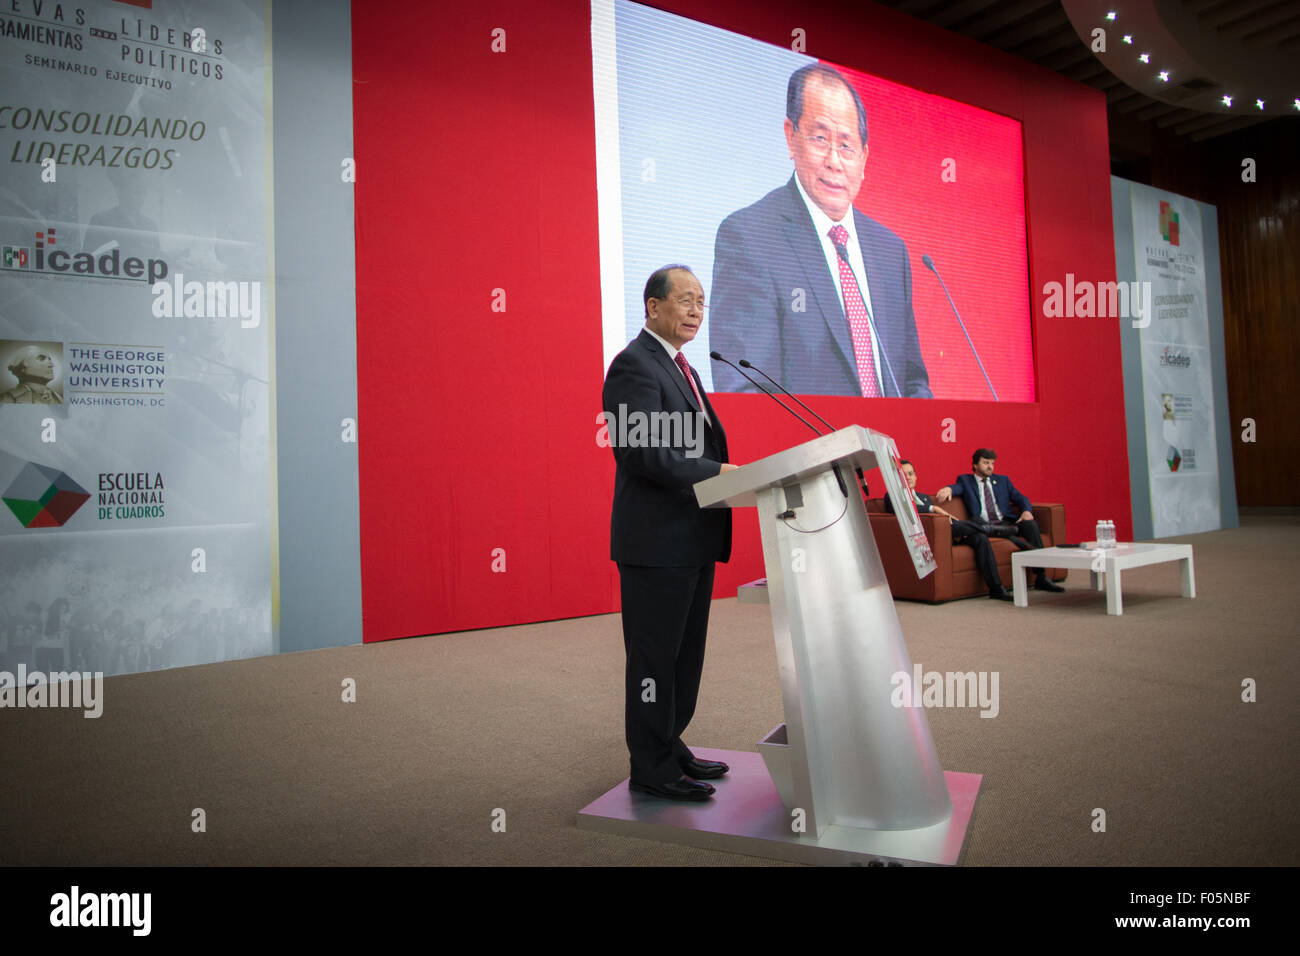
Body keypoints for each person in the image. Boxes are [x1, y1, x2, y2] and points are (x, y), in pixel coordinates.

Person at [709, 63, 931, 399]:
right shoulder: (750, 237)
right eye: (819, 138)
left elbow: (913, 382)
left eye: (846, 145)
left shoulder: (890, 251)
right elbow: (746, 388)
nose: (834, 160)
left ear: (864, 158)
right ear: (791, 137)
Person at [602, 265, 739, 802]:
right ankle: (651, 766)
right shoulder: (634, 366)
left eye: (702, 302)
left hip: (693, 536)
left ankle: (670, 743)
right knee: (655, 660)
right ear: (653, 306)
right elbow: (643, 453)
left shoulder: (683, 368)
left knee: (685, 655)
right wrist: (717, 475)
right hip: (656, 544)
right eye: (685, 299)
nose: (696, 310)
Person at [936, 448, 1064, 593]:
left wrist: (1027, 511)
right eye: (986, 463)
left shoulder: (1003, 481)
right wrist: (948, 489)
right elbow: (957, 488)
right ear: (975, 465)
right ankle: (1013, 538)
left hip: (1005, 523)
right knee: (986, 529)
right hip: (982, 524)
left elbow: (1021, 498)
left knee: (1031, 525)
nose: (990, 467)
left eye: (992, 463)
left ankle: (1041, 577)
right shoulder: (966, 480)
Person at [886, 459, 1014, 600]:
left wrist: (936, 509)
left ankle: (996, 588)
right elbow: (905, 510)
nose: (908, 477)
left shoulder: (924, 497)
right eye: (904, 475)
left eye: (911, 473)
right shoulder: (892, 496)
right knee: (956, 524)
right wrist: (933, 508)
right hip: (929, 537)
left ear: (916, 476)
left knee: (980, 538)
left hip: (950, 534)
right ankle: (990, 529)